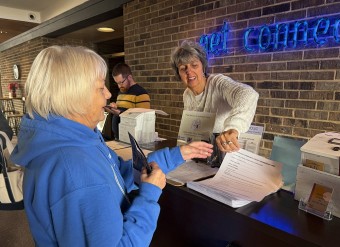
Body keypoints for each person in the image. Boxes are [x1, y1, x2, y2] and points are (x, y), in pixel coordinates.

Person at [10, 45, 213, 247]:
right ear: (74, 97)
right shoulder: (76, 168)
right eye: (100, 87)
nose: (108, 94)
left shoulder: (78, 140)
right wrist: (149, 195)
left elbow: (121, 172)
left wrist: (177, 155)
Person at [171, 40, 259, 153]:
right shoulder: (187, 94)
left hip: (229, 155)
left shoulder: (218, 83)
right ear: (179, 74)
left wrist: (233, 128)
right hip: (204, 156)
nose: (189, 71)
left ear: (203, 67)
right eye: (183, 68)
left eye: (194, 65)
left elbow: (248, 94)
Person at [106, 63, 150, 140]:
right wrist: (114, 107)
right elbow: (123, 109)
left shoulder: (141, 93)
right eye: (117, 83)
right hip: (119, 137)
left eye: (121, 82)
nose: (119, 86)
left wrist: (120, 112)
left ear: (129, 77)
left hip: (132, 140)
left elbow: (143, 119)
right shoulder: (121, 91)